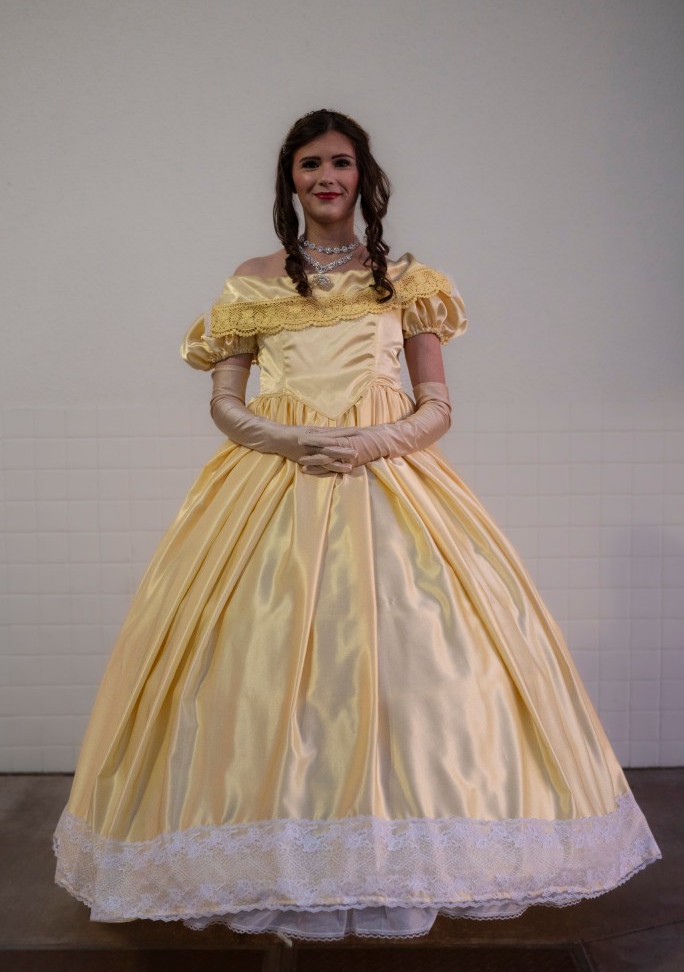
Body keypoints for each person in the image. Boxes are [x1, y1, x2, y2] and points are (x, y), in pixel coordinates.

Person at [54, 109, 661, 942]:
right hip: (275, 485)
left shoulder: (409, 280)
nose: (326, 177)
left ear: (365, 177)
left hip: (390, 481)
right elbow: (226, 404)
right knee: (257, 666)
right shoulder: (252, 279)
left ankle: (395, 854)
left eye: (340, 162)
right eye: (310, 164)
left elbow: (438, 405)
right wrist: (298, 440)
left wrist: (372, 442)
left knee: (413, 664)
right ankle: (271, 851)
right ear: (290, 179)